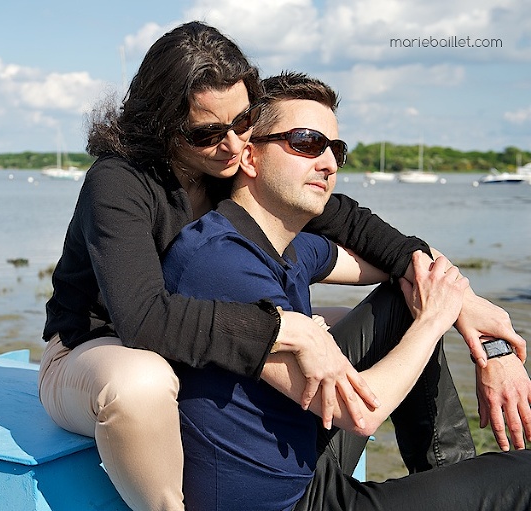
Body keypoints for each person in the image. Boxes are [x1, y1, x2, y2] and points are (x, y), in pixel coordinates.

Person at [38, 21, 529, 511]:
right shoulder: (120, 183)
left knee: (398, 312)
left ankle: (447, 476)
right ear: (163, 126)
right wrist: (284, 329)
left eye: (242, 121)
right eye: (208, 132)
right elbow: (143, 319)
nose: (231, 144)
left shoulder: (231, 175)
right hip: (98, 344)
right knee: (140, 383)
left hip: (202, 340)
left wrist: (468, 311)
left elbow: (369, 235)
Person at [162, 70, 531, 510]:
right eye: (306, 143)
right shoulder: (220, 262)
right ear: (249, 157)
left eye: (336, 149)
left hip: (308, 460)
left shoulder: (286, 243)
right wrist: (435, 320)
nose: (329, 163)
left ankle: (446, 474)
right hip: (290, 503)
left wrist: (488, 341)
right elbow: (359, 413)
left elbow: (409, 263)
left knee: (400, 300)